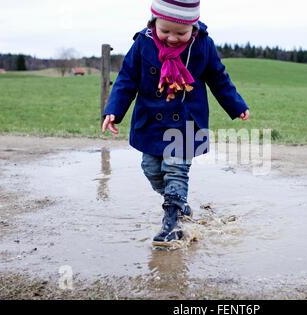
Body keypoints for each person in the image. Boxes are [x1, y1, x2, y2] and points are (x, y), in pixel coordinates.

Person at [102, 0, 249, 243]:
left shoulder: (203, 45)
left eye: (181, 33)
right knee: (151, 169)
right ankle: (179, 203)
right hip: (151, 121)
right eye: (165, 31)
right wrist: (114, 111)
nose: (172, 38)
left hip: (185, 121)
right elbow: (127, 78)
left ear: (193, 27)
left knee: (176, 170)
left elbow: (219, 78)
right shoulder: (143, 43)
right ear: (154, 22)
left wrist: (236, 104)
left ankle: (172, 222)